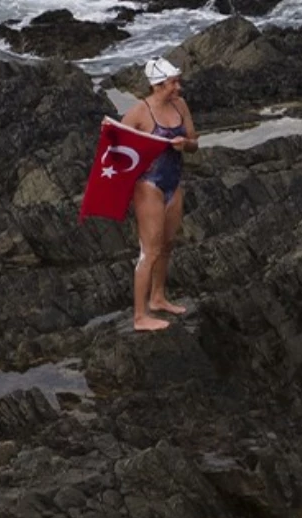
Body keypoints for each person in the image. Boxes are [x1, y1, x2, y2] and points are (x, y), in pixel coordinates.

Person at [121, 57, 198, 332]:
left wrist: (185, 144)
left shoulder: (181, 105)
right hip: (148, 185)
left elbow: (194, 144)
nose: (178, 87)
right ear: (157, 85)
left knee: (167, 245)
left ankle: (158, 297)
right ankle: (140, 316)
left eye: (178, 81)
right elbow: (116, 144)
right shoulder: (139, 113)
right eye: (173, 83)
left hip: (173, 181)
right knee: (149, 251)